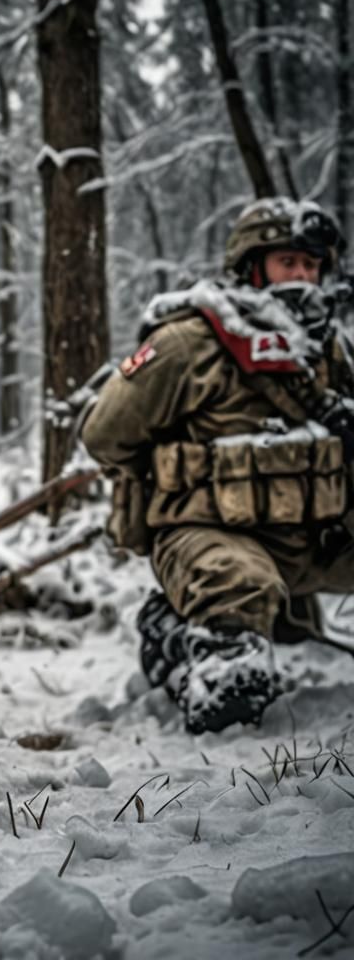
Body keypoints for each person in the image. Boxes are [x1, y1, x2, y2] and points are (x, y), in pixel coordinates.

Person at [80, 197, 354, 734]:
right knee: (236, 677)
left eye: (311, 264)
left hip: (316, 534)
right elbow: (105, 435)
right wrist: (179, 474)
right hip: (216, 535)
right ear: (253, 266)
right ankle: (182, 640)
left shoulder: (328, 351)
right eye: (287, 262)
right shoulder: (188, 343)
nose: (301, 276)